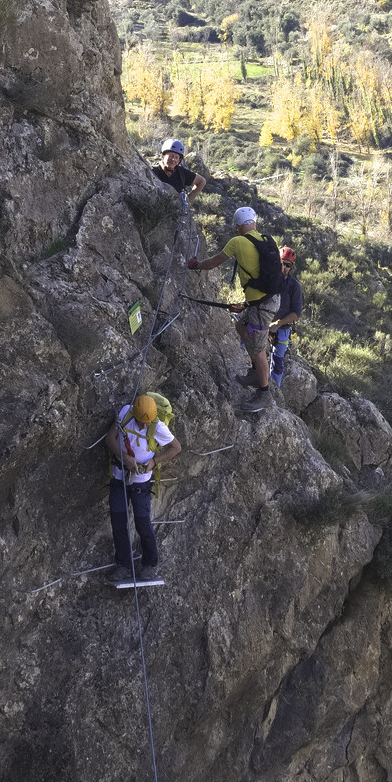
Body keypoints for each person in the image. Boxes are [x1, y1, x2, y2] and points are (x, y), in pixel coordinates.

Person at [186, 206, 282, 394]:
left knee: (259, 348)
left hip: (262, 306)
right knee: (241, 325)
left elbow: (215, 262)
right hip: (266, 300)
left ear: (237, 226)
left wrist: (196, 265)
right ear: (254, 223)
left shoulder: (237, 242)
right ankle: (256, 372)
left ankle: (263, 392)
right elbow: (263, 275)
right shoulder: (267, 240)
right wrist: (247, 304)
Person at [105, 393, 180, 588]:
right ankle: (123, 565)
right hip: (120, 477)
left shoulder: (157, 426)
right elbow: (110, 439)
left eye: (147, 423)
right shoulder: (126, 415)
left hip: (141, 482)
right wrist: (123, 457)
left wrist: (154, 461)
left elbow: (175, 447)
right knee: (118, 522)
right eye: (142, 422)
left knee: (142, 523)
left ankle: (149, 563)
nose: (145, 425)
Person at [268, 246, 304, 388]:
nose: (283, 268)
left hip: (282, 329)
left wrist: (277, 324)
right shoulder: (268, 279)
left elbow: (296, 312)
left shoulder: (294, 286)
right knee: (256, 358)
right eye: (281, 263)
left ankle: (273, 391)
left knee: (277, 363)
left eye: (287, 265)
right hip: (263, 323)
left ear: (292, 267)